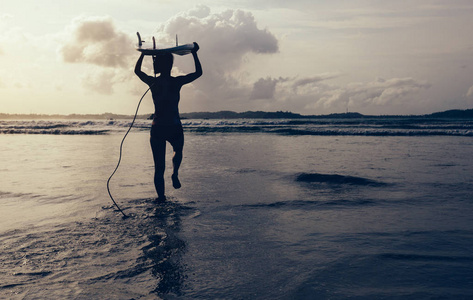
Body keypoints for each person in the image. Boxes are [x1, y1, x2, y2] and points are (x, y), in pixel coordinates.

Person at [134, 42, 202, 201]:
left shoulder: (153, 82)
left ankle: (161, 198)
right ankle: (175, 173)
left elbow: (137, 71)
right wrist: (194, 53)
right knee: (177, 151)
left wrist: (143, 53)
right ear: (171, 66)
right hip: (174, 126)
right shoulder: (176, 82)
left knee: (159, 168)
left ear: (157, 66)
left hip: (157, 127)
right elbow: (198, 73)